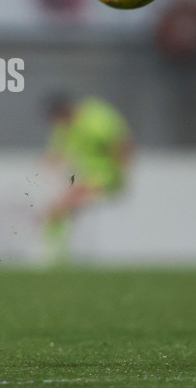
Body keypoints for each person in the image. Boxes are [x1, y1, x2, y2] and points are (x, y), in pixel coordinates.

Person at [40, 94, 133, 264]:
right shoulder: (65, 127)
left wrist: (120, 175)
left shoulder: (95, 119)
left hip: (105, 175)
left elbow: (121, 144)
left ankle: (51, 254)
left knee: (60, 207)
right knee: (58, 210)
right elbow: (56, 153)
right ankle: (58, 253)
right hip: (85, 176)